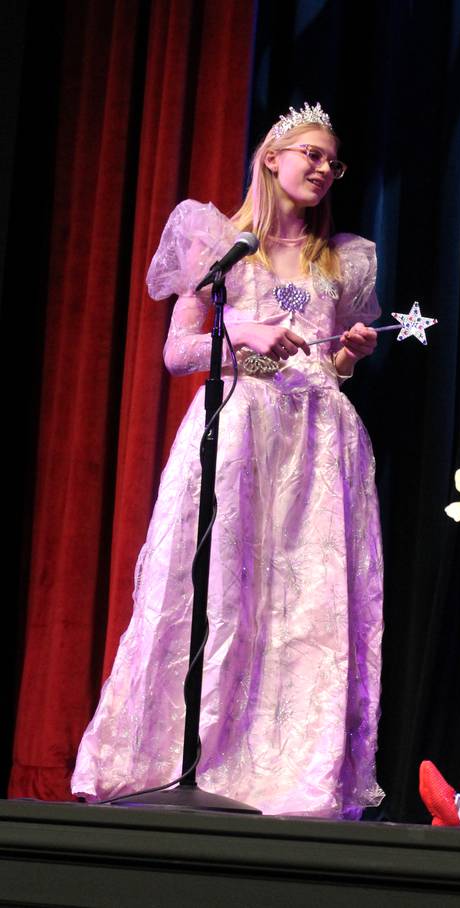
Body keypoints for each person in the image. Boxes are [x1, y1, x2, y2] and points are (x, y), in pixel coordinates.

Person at [71, 102, 384, 819]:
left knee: (303, 602)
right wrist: (239, 328)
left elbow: (327, 364)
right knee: (217, 588)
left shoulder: (346, 256)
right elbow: (179, 351)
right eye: (310, 153)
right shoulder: (218, 243)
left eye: (332, 161)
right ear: (272, 156)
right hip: (240, 429)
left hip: (317, 440)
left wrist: (346, 353)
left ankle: (285, 771)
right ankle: (178, 758)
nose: (322, 169)